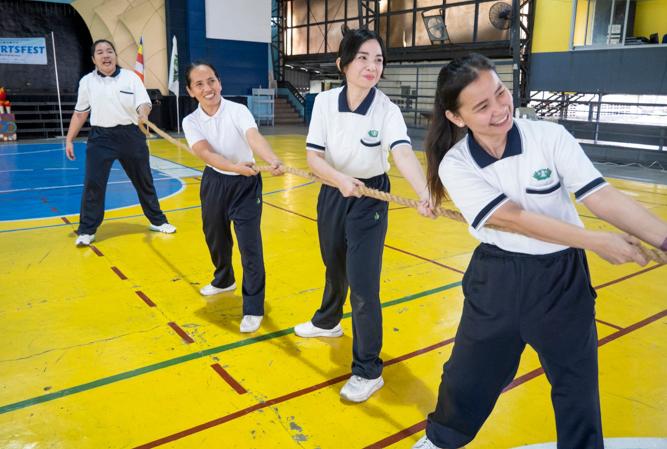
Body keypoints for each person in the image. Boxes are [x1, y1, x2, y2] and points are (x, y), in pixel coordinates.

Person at [412, 53, 667, 449]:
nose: (500, 109)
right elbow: (512, 218)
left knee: (576, 383)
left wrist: (664, 238)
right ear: (457, 118)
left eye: (500, 93)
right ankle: (443, 439)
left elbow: (601, 197)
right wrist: (597, 240)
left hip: (561, 281)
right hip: (496, 279)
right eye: (482, 106)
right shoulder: (456, 164)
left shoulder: (548, 137)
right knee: (467, 375)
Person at [294, 28, 435, 403]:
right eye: (363, 58)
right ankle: (327, 322)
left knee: (363, 285)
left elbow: (402, 152)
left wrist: (424, 193)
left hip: (369, 197)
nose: (372, 66)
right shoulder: (323, 103)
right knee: (333, 263)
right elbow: (313, 157)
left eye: (378, 59)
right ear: (343, 64)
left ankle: (369, 370)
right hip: (333, 190)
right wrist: (339, 179)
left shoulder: (386, 109)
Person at [182, 62, 284, 334]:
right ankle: (224, 279)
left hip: (246, 184)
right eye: (200, 84)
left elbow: (253, 137)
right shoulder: (191, 122)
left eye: (211, 81)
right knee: (215, 235)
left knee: (249, 247)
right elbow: (207, 154)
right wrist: (233, 167)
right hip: (215, 181)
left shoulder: (238, 110)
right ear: (191, 91)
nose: (208, 88)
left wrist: (271, 159)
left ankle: (253, 307)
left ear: (220, 83)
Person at [66, 40, 176, 247]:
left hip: (131, 135)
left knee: (144, 180)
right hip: (101, 138)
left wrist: (143, 114)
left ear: (115, 56)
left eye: (109, 51)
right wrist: (69, 139)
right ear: (93, 59)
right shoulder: (87, 82)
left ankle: (158, 220)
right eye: (100, 52)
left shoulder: (131, 78)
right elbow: (80, 114)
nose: (105, 55)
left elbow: (144, 103)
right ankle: (87, 230)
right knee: (93, 184)